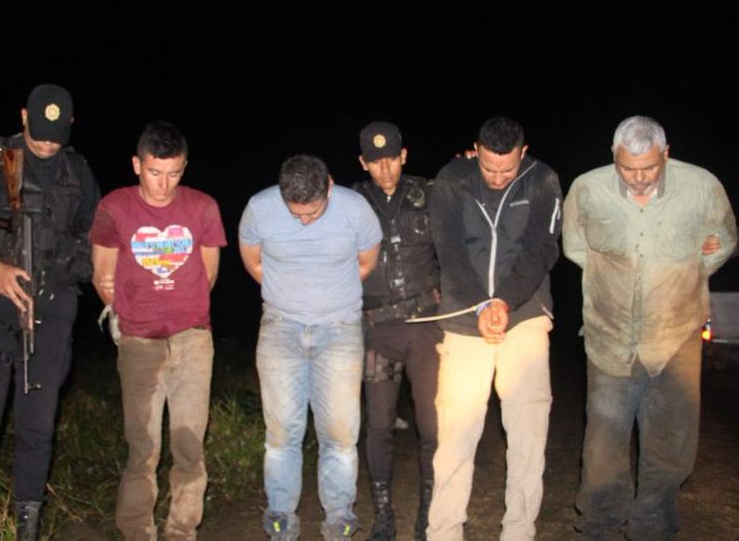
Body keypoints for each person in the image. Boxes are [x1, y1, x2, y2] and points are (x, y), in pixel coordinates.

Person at [0, 83, 100, 540]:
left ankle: (27, 522)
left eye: (57, 135)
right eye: (40, 133)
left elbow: (98, 235)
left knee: (38, 423)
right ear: (24, 118)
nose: (48, 144)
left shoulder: (77, 171)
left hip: (52, 308)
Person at [562, 115, 736, 539]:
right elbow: (575, 248)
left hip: (675, 337)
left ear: (666, 154)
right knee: (603, 447)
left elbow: (723, 241)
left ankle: (653, 525)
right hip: (610, 337)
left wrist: (683, 272)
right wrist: (616, 281)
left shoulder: (702, 187)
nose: (638, 179)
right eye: (627, 168)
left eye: (649, 168)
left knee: (671, 446)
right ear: (613, 157)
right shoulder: (587, 190)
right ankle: (600, 526)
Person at [89, 120, 227, 541]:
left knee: (189, 447)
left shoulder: (203, 207)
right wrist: (131, 313)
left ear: (184, 168)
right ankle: (136, 530)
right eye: (154, 172)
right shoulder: (114, 207)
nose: (164, 184)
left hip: (192, 340)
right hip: (139, 344)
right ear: (136, 164)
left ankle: (182, 529)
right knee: (142, 449)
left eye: (174, 172)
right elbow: (102, 276)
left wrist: (179, 306)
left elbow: (208, 276)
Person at [426, 117, 562, 541]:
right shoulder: (452, 179)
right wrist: (481, 303)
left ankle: (519, 533)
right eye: (489, 168)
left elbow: (542, 250)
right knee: (455, 439)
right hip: (465, 320)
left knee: (526, 438)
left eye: (508, 168)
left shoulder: (543, 180)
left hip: (525, 316)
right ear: (476, 151)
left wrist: (503, 301)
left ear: (523, 152)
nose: (499, 177)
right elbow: (448, 252)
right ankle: (444, 532)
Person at [239, 154, 382, 540]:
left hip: (340, 329)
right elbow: (253, 261)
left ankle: (339, 518)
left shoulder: (355, 210)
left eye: (312, 213)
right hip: (280, 330)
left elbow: (366, 262)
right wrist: (289, 295)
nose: (303, 220)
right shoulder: (259, 208)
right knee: (282, 434)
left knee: (339, 433)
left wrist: (327, 297)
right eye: (295, 213)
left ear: (329, 187)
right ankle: (281, 516)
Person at [352, 122, 441, 541]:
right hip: (378, 330)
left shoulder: (433, 193)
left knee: (432, 425)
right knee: (379, 424)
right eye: (375, 161)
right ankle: (383, 515)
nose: (384, 169)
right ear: (363, 162)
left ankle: (429, 513)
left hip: (426, 326)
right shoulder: (351, 201)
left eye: (391, 159)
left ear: (404, 156)